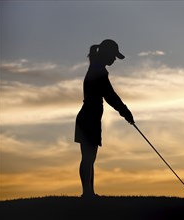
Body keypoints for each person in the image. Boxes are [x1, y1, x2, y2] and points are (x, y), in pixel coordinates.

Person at [74, 39, 134, 198]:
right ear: (107, 54)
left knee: (89, 157)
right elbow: (110, 95)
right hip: (89, 117)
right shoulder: (98, 70)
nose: (114, 59)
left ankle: (89, 193)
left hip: (89, 116)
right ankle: (87, 193)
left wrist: (124, 111)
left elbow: (108, 96)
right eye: (113, 56)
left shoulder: (96, 68)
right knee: (88, 157)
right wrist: (125, 111)